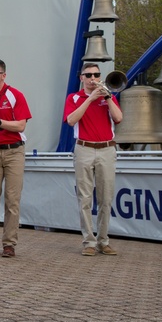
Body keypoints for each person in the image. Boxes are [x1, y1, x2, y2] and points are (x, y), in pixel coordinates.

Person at [63, 62, 123, 256]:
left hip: (106, 148)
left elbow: (119, 118)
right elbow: (71, 120)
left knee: (106, 197)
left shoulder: (108, 97)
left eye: (96, 75)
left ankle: (103, 241)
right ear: (81, 78)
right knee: (85, 198)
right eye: (88, 75)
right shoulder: (74, 98)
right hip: (84, 148)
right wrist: (89, 99)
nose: (92, 79)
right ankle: (89, 241)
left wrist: (108, 98)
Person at [0, 58, 32, 258]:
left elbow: (20, 126)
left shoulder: (14, 95)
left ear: (3, 75)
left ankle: (9, 243)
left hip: (14, 151)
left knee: (12, 199)